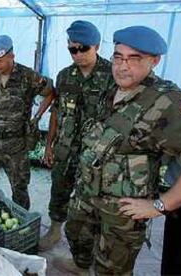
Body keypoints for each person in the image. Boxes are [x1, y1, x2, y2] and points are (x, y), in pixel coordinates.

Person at [63, 26, 181, 275]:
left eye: (134, 59)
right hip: (87, 195)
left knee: (111, 269)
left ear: (154, 61)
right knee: (77, 238)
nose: (123, 66)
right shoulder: (112, 88)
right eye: (118, 57)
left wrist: (160, 205)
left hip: (121, 212)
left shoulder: (167, 102)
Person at [39, 21, 116, 251]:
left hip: (96, 154)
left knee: (92, 199)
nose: (78, 54)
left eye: (84, 49)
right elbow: (56, 111)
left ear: (97, 45)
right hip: (66, 148)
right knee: (59, 189)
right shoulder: (64, 76)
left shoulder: (112, 75)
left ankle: (88, 245)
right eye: (73, 49)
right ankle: (54, 230)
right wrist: (49, 145)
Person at [0, 35, 54, 210]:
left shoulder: (28, 76)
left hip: (17, 144)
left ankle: (21, 226)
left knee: (19, 188)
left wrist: (38, 116)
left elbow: (50, 92)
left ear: (11, 56)